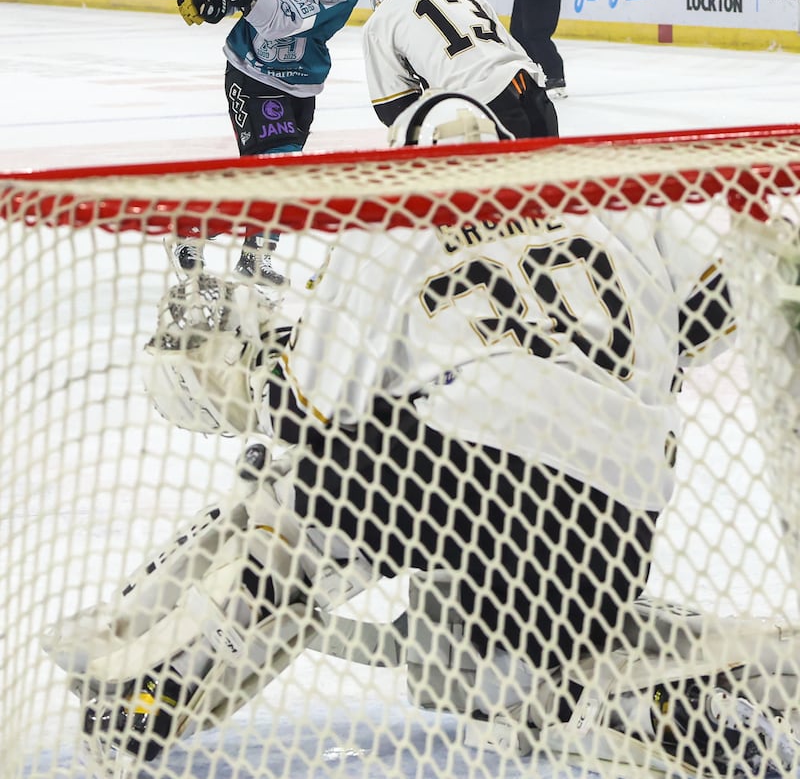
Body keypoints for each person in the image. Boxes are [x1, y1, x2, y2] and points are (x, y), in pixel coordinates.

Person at [46, 92, 777, 779]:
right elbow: (721, 303)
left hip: (464, 481)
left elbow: (315, 404)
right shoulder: (602, 203)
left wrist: (252, 376)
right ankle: (633, 695)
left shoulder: (397, 204)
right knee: (481, 660)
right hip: (613, 534)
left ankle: (159, 685)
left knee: (303, 488)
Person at [176, 0, 359, 283]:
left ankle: (198, 233)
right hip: (250, 72)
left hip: (302, 87)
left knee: (271, 176)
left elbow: (280, 20)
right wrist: (214, 3)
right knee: (276, 169)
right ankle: (245, 254)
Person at [363, 0, 558, 139]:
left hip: (480, 108)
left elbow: (395, 108)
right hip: (534, 93)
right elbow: (514, 50)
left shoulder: (382, 16)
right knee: (548, 169)